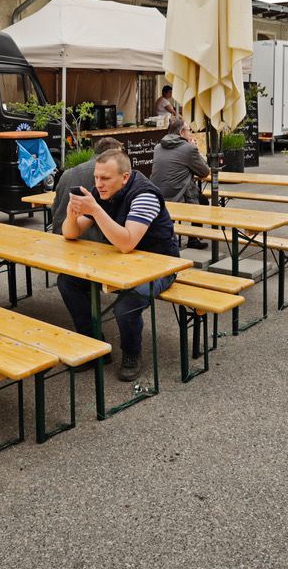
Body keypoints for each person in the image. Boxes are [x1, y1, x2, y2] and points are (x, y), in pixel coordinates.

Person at [58, 150, 179, 382]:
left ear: (124, 178)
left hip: (161, 265)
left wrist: (94, 209)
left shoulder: (145, 195)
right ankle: (94, 346)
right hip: (120, 263)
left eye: (105, 179)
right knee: (67, 281)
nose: (98, 184)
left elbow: (127, 242)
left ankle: (131, 353)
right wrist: (72, 214)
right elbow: (70, 234)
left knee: (126, 305)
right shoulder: (102, 193)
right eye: (96, 178)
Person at [150, 118, 210, 249]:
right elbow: (205, 172)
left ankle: (174, 237)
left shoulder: (158, 147)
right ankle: (193, 239)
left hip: (157, 194)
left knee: (197, 196)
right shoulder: (188, 148)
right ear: (182, 132)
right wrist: (195, 148)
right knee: (202, 201)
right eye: (189, 130)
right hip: (177, 196)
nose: (191, 134)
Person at [51, 136, 123, 239]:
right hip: (88, 242)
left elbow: (54, 208)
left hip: (59, 234)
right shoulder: (111, 174)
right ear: (112, 155)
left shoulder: (68, 173)